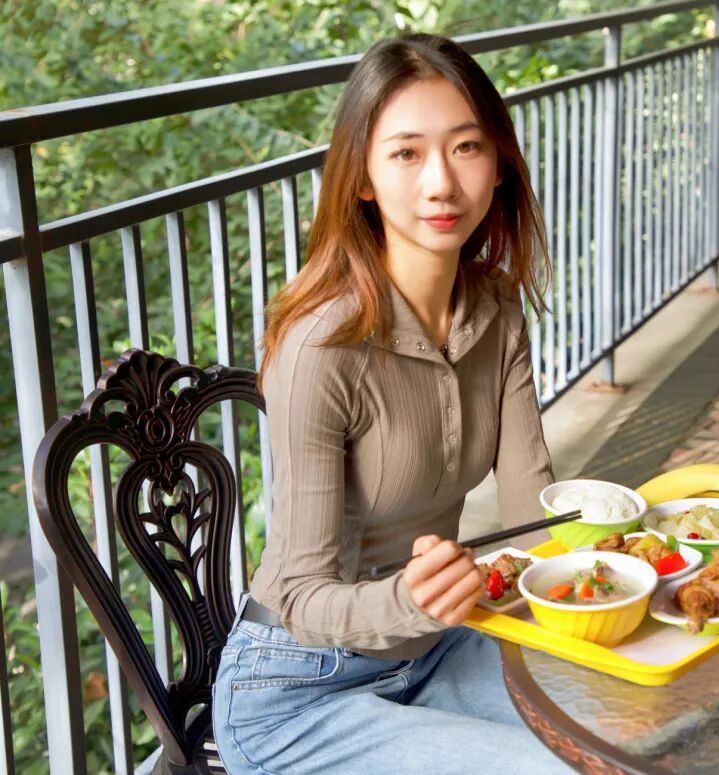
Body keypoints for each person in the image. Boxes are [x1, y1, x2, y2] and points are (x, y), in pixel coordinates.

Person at [212, 33, 574, 775]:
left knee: (641, 720)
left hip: (434, 650)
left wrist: (614, 568)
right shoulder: (321, 347)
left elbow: (534, 511)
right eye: (406, 153)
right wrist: (411, 600)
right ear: (364, 178)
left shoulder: (496, 311)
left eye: (466, 147)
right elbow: (301, 597)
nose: (441, 183)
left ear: (499, 163)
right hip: (297, 691)